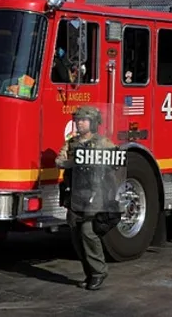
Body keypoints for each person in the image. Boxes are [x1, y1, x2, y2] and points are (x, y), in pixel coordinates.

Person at [56, 106, 122, 290]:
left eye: (84, 120)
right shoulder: (72, 143)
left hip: (96, 193)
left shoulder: (103, 143)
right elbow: (59, 160)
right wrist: (74, 161)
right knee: (76, 234)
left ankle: (99, 272)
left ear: (93, 123)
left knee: (88, 232)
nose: (79, 123)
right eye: (78, 119)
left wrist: (98, 163)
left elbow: (117, 161)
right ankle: (90, 273)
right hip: (76, 193)